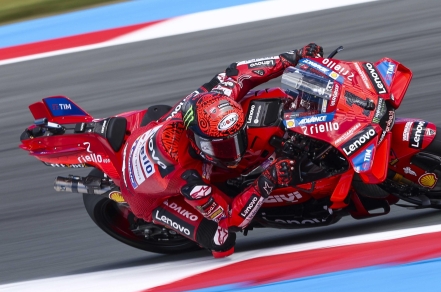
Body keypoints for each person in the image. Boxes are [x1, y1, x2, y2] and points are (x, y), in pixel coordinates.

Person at [120, 43, 324, 257]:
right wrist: (267, 180)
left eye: (236, 139)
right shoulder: (191, 181)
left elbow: (238, 72)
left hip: (151, 130)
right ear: (196, 141)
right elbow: (230, 219)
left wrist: (294, 57)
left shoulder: (214, 99)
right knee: (222, 241)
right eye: (222, 147)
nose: (234, 151)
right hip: (145, 197)